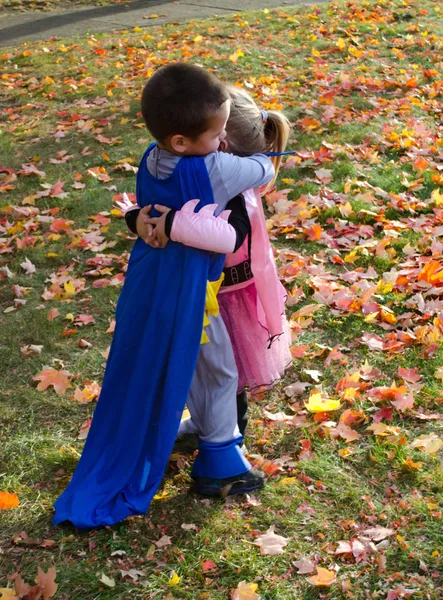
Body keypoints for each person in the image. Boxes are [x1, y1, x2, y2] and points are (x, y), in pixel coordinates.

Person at [53, 63, 275, 529]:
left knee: (191, 360)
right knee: (218, 369)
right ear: (190, 140)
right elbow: (259, 171)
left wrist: (143, 219)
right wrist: (170, 220)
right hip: (194, 293)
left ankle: (202, 429)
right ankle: (219, 461)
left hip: (153, 283)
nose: (218, 144)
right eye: (215, 136)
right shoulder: (213, 167)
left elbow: (146, 206)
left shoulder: (152, 157)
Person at [129, 86, 292, 447]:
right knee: (197, 367)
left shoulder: (233, 190)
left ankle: (230, 441)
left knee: (229, 374)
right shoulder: (192, 172)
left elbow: (228, 236)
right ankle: (204, 424)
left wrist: (171, 224)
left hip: (229, 295)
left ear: (223, 148)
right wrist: (136, 218)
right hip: (195, 290)